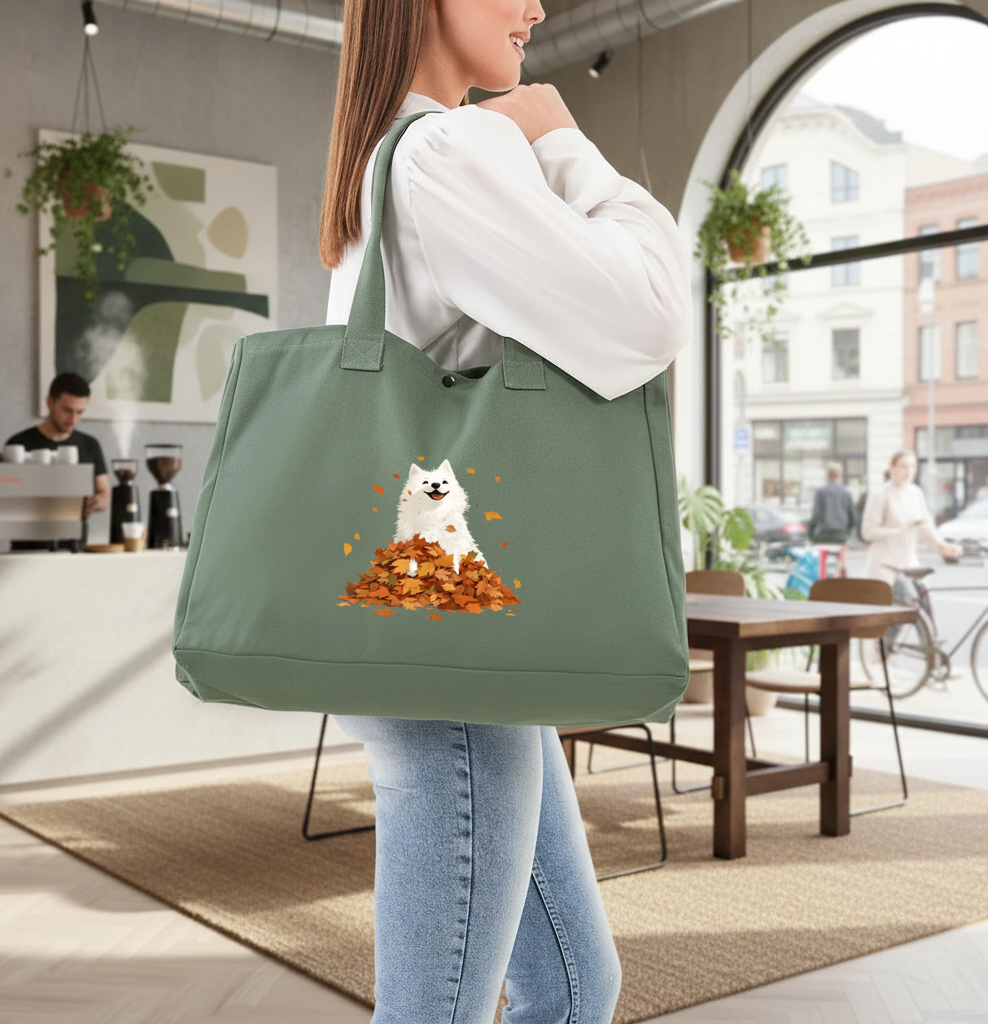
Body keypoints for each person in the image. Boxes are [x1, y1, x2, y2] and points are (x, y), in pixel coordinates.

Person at [319, 1, 690, 1021]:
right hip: (448, 643)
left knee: (575, 985)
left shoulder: (394, 158)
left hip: (439, 632)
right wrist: (565, 143)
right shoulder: (449, 148)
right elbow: (651, 311)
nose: (536, 4)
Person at [6, 372, 110, 549]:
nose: (73, 419)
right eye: (67, 410)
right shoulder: (18, 445)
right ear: (49, 403)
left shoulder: (89, 445)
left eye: (79, 412)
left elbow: (105, 495)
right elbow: (6, 500)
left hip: (74, 548)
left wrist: (95, 502)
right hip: (27, 550)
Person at [862, 450, 961, 595]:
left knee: (924, 610)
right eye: (903, 466)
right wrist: (898, 530)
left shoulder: (916, 493)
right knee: (903, 609)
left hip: (910, 564)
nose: (909, 471)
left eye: (912, 467)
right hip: (885, 567)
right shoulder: (880, 495)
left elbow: (926, 527)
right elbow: (867, 532)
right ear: (892, 467)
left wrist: (942, 546)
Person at [808, 462, 856, 544]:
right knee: (839, 556)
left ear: (827, 475)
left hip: (824, 534)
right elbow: (852, 516)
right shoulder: (846, 493)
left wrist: (811, 534)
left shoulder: (821, 492)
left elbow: (816, 515)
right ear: (840, 475)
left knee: (823, 555)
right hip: (841, 534)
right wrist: (847, 532)